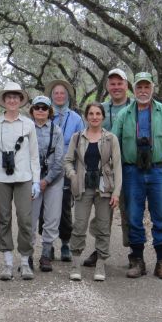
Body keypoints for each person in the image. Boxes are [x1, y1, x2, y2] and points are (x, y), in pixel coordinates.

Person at [111, 72, 162, 281]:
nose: (143, 91)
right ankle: (137, 261)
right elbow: (114, 145)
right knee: (134, 217)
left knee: (161, 217)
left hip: (159, 171)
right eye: (139, 87)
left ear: (152, 89)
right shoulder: (125, 114)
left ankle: (161, 262)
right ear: (133, 89)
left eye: (146, 87)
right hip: (131, 171)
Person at [0, 82, 41, 281]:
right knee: (4, 219)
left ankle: (25, 262)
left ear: (21, 100)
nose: (12, 100)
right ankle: (7, 263)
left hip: (24, 177)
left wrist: (36, 180)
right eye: (9, 97)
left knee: (25, 220)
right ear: (4, 100)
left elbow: (34, 155)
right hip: (1, 177)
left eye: (16, 97)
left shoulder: (28, 124)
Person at [63, 102, 122, 282]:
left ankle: (100, 265)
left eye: (98, 114)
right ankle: (75, 264)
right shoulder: (77, 137)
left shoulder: (111, 139)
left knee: (104, 227)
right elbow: (67, 160)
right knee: (79, 225)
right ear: (86, 117)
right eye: (91, 114)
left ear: (103, 117)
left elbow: (118, 167)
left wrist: (116, 193)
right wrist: (73, 176)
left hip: (105, 188)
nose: (94, 117)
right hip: (82, 187)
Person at [83, 67, 134, 267]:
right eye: (112, 84)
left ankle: (134, 252)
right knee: (103, 212)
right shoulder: (100, 109)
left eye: (120, 83)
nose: (116, 87)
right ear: (107, 86)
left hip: (129, 168)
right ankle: (99, 249)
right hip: (104, 170)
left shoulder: (135, 107)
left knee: (130, 211)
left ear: (126, 85)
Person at [46, 79, 84, 262]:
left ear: (67, 96)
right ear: (51, 96)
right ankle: (48, 244)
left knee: (64, 207)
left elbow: (81, 145)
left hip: (67, 168)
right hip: (46, 169)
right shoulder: (44, 114)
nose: (59, 96)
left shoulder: (76, 119)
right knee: (44, 208)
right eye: (56, 93)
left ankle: (65, 243)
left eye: (62, 93)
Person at [28, 96, 65, 272]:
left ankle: (46, 255)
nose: (40, 110)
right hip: (31, 180)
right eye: (37, 107)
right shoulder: (26, 129)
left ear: (49, 111)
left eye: (44, 107)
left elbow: (59, 160)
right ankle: (26, 256)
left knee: (52, 218)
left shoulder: (56, 131)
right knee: (30, 218)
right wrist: (35, 180)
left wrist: (46, 180)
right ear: (32, 110)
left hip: (54, 179)